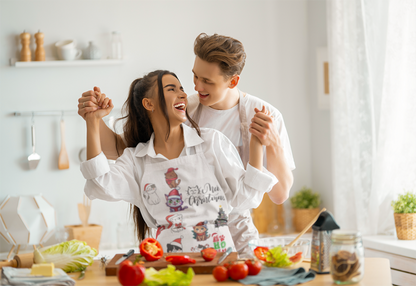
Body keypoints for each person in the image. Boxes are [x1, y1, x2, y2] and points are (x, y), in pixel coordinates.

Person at [78, 33, 295, 255]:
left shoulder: (264, 117)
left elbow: (278, 195)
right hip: (179, 242)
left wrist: (270, 143)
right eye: (194, 77)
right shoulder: (184, 108)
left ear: (233, 81)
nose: (197, 87)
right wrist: (94, 118)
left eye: (207, 81)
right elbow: (126, 151)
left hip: (237, 232)